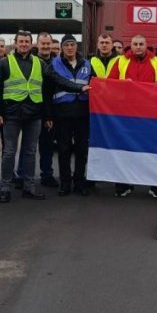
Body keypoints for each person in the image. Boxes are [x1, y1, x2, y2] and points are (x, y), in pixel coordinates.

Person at [0, 30, 87, 203]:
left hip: (34, 114)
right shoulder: (5, 62)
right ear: (15, 43)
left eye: (26, 42)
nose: (24, 44)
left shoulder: (39, 63)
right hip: (12, 114)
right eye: (21, 41)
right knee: (9, 152)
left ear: (31, 44)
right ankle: (5, 188)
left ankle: (29, 187)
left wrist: (78, 88)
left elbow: (56, 79)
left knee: (30, 152)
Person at [107, 33, 157, 197]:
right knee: (125, 148)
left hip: (151, 113)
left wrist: (152, 91)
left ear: (146, 45)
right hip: (126, 113)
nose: (138, 47)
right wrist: (123, 85)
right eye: (135, 44)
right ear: (131, 45)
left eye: (141, 44)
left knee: (153, 149)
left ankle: (155, 185)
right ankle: (123, 184)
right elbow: (110, 82)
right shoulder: (121, 61)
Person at [52, 34, 92, 196]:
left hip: (83, 113)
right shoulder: (54, 64)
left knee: (81, 150)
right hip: (62, 114)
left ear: (77, 47)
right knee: (64, 150)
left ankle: (79, 182)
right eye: (66, 45)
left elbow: (98, 83)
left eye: (72, 44)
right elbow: (55, 83)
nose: (69, 47)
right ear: (62, 48)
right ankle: (65, 183)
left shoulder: (87, 64)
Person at [35, 32, 59, 187]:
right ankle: (23, 176)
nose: (45, 46)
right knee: (28, 147)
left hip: (52, 109)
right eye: (42, 43)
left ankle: (47, 175)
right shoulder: (31, 61)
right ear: (37, 44)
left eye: (48, 43)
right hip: (33, 109)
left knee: (47, 146)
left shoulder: (57, 63)